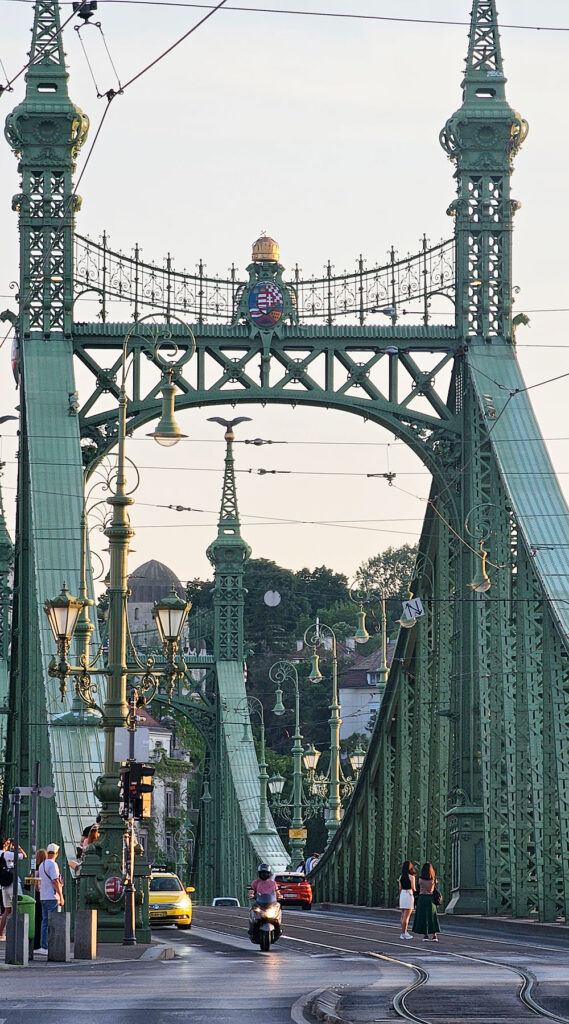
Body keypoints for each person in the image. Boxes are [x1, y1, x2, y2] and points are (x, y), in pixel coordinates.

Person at [37, 843, 64, 955]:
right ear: (56, 853)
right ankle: (51, 946)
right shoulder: (53, 864)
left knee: (45, 922)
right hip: (52, 897)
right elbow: (55, 881)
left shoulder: (42, 864)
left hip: (43, 896)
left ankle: (44, 945)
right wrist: (61, 896)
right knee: (54, 922)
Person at [0, 838, 26, 942]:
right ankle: (17, 932)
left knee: (7, 910)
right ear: (4, 844)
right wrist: (18, 847)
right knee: (18, 906)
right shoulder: (6, 854)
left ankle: (1, 933)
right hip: (12, 883)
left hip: (3, 885)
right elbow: (23, 856)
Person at [412, 861, 440, 942]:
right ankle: (434, 935)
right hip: (430, 899)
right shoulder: (433, 880)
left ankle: (425, 935)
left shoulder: (420, 880)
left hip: (422, 899)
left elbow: (417, 889)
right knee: (432, 917)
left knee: (424, 917)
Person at [33, 849, 47, 950]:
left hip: (36, 896)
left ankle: (36, 943)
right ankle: (44, 943)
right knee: (44, 919)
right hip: (45, 895)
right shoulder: (46, 867)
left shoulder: (34, 868)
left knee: (37, 919)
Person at [398, 860, 416, 939]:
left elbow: (400, 888)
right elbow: (413, 888)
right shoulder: (411, 877)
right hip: (409, 894)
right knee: (407, 916)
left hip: (402, 894)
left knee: (403, 915)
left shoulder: (401, 877)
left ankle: (403, 932)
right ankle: (404, 932)